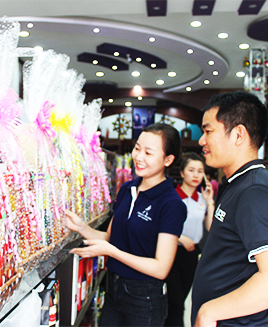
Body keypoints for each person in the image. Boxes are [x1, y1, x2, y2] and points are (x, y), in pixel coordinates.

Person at [191, 90, 268, 327]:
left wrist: (209, 312)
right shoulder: (237, 183)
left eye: (208, 131)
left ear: (238, 134)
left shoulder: (255, 192)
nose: (201, 141)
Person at [66, 123, 187, 327]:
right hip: (114, 290)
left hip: (145, 298)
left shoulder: (171, 204)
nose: (138, 157)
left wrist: (112, 252)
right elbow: (110, 238)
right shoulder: (127, 189)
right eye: (137, 148)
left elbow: (160, 268)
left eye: (148, 152)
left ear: (168, 159)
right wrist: (81, 228)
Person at [165, 153, 214, 327]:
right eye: (191, 170)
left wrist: (210, 202)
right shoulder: (171, 196)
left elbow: (211, 227)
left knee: (180, 302)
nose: (195, 175)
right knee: (176, 305)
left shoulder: (202, 199)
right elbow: (158, 226)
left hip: (192, 257)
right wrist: (180, 237)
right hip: (170, 254)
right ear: (182, 172)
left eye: (200, 171)